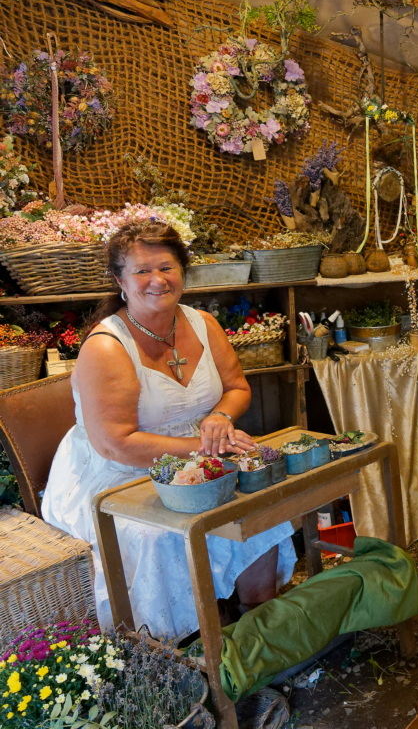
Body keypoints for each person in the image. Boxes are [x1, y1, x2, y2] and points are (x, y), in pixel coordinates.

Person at [42, 220, 297, 641]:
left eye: (166, 267)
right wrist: (203, 447)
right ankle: (179, 644)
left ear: (183, 271)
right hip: (121, 472)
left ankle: (257, 621)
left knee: (256, 499)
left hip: (201, 453)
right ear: (120, 280)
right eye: (142, 270)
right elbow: (116, 444)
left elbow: (236, 388)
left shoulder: (202, 323)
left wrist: (221, 418)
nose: (157, 280)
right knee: (157, 534)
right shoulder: (107, 347)